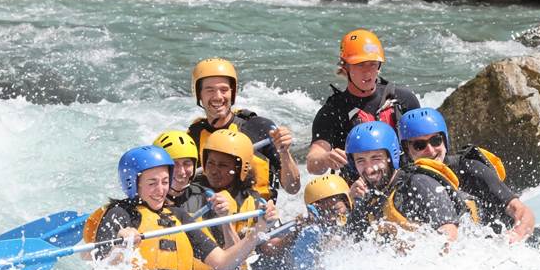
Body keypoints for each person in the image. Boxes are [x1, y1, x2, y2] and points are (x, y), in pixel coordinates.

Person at [88, 145, 277, 270]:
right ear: (133, 183)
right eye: (152, 183)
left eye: (164, 181)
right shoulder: (119, 214)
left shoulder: (179, 216)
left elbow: (224, 263)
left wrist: (258, 231)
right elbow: (103, 267)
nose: (161, 190)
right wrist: (122, 245)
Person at [397, 108, 535, 243]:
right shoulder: (404, 187)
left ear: (444, 140)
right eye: (419, 145)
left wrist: (516, 234)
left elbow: (521, 210)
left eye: (436, 140)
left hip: (501, 242)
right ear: (407, 150)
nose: (431, 150)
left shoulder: (470, 168)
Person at [307, 29, 421, 182]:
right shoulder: (332, 111)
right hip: (359, 190)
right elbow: (313, 162)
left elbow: (426, 144)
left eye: (372, 64)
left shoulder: (403, 99)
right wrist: (325, 158)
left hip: (404, 182)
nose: (367, 72)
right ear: (345, 67)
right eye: (360, 65)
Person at [187, 57, 300, 201]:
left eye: (224, 89)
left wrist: (285, 153)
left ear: (232, 93)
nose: (218, 96)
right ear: (199, 95)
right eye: (210, 90)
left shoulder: (259, 128)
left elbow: (293, 188)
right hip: (215, 217)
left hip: (260, 217)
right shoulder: (193, 137)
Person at [344, 121, 468, 246]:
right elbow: (347, 247)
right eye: (360, 161)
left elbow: (449, 233)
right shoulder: (368, 201)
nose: (369, 169)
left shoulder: (419, 184)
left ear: (392, 157)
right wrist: (354, 204)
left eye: (376, 158)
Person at [152, 130, 200, 210]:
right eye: (174, 164)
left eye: (187, 163)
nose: (181, 172)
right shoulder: (142, 203)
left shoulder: (206, 197)